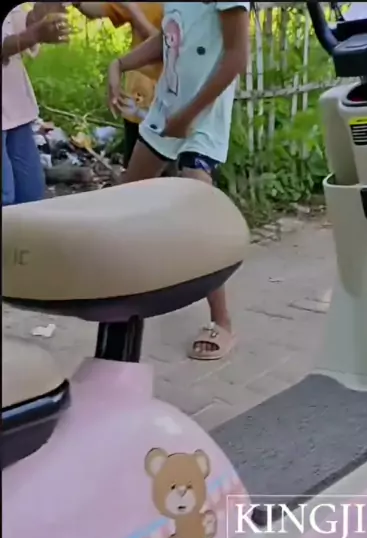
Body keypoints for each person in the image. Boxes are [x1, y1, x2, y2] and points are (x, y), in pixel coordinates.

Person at [107, 2, 250, 361]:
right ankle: (122, 292)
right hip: (165, 113)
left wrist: (188, 116)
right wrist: (120, 63)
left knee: (199, 219)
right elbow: (170, 37)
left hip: (202, 122)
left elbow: (237, 57)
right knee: (125, 200)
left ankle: (222, 322)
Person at [73, 2, 163, 167]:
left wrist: (132, 10)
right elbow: (98, 10)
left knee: (166, 168)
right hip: (136, 99)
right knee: (134, 164)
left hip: (168, 100)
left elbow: (165, 46)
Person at [2, 3, 70, 206]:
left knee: (30, 193)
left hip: (15, 106)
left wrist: (38, 16)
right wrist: (34, 34)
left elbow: (14, 25)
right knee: (5, 195)